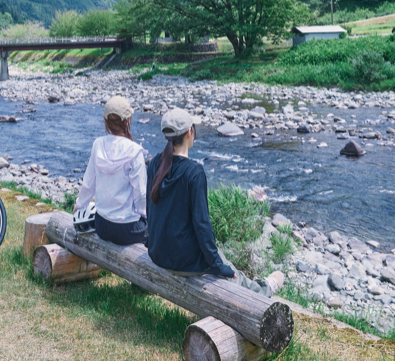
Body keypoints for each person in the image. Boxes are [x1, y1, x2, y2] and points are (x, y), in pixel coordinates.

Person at [145, 108, 283, 296]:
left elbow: (151, 210)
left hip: (158, 254)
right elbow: (202, 225)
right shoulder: (194, 172)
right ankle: (264, 290)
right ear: (189, 132)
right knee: (230, 271)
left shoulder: (154, 164)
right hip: (183, 262)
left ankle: (257, 284)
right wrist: (218, 266)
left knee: (222, 261)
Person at [72, 95, 148, 245]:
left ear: (105, 120)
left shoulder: (98, 144)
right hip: (127, 229)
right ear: (128, 120)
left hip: (102, 226)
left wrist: (79, 205)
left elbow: (89, 183)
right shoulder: (135, 152)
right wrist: (146, 216)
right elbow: (141, 194)